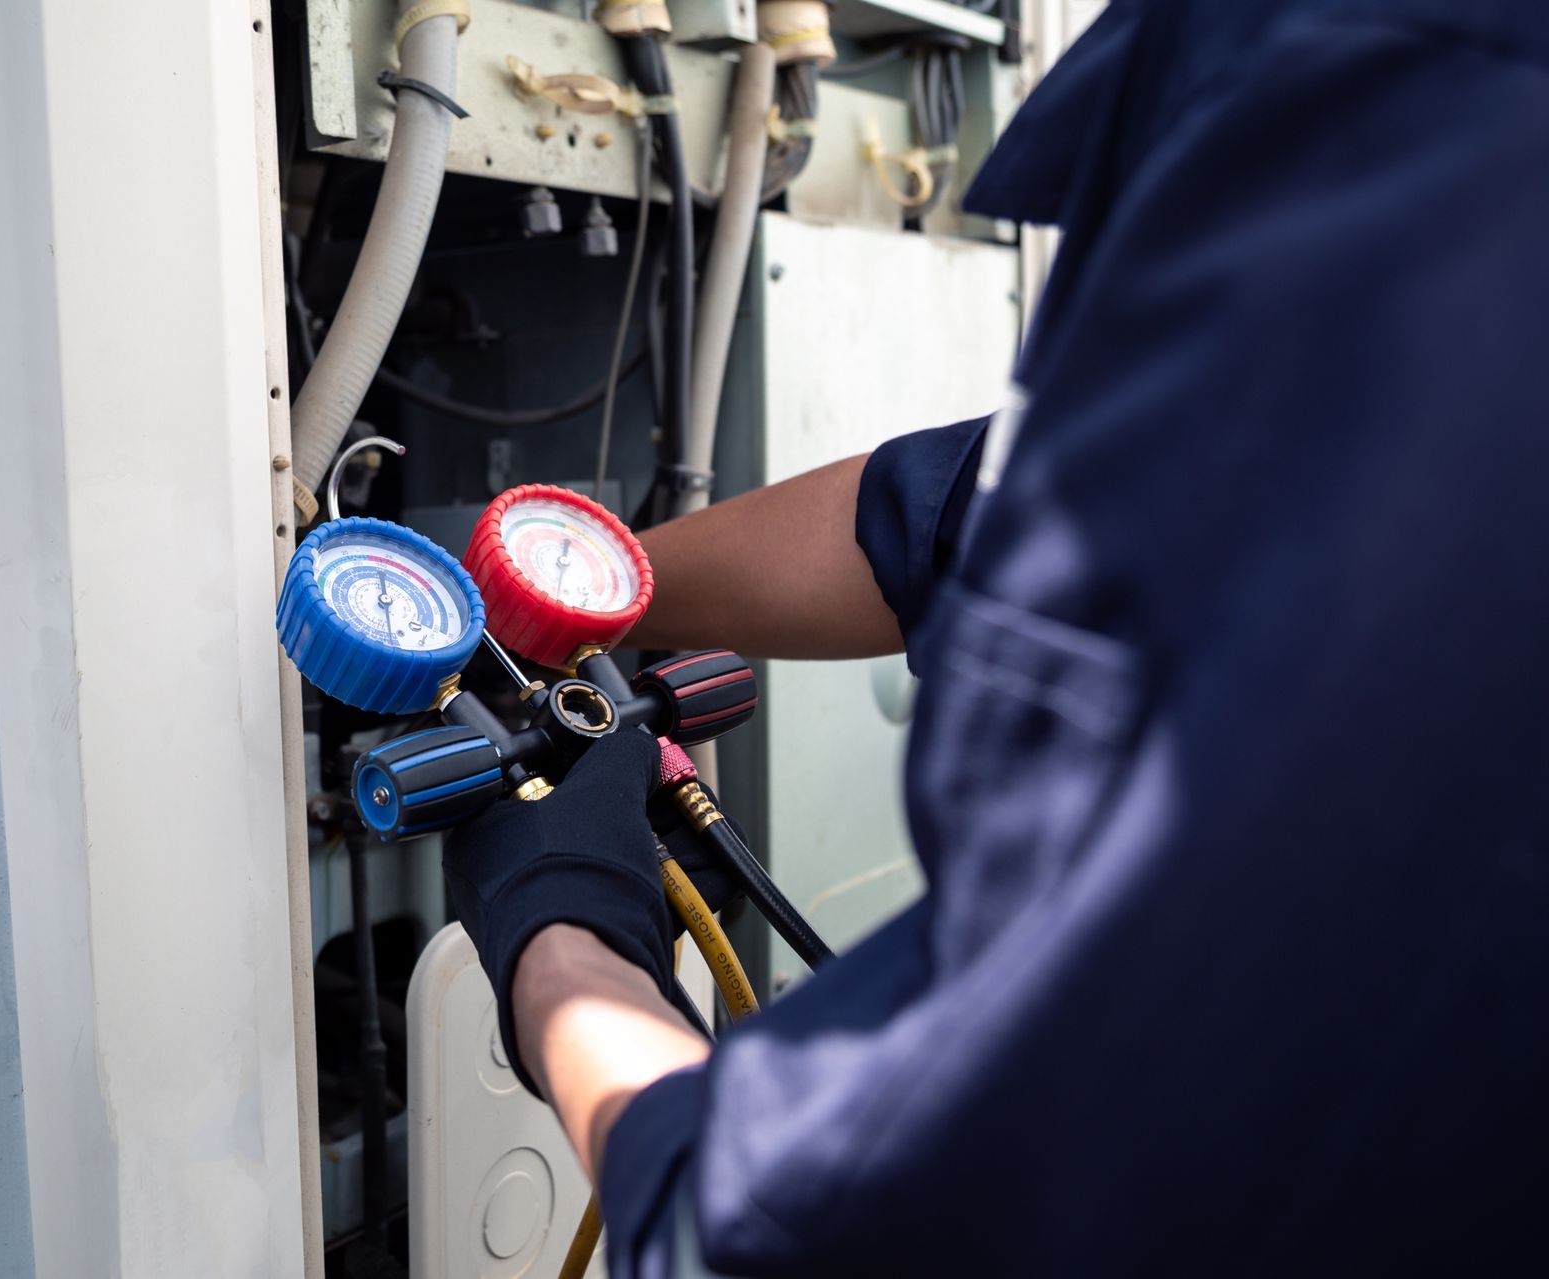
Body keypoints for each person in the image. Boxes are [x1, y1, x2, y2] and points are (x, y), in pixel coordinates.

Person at [444, 0, 1549, 1272]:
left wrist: (563, 940)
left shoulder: (1357, 96)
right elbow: (957, 514)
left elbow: (798, 1222)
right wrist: (583, 586)